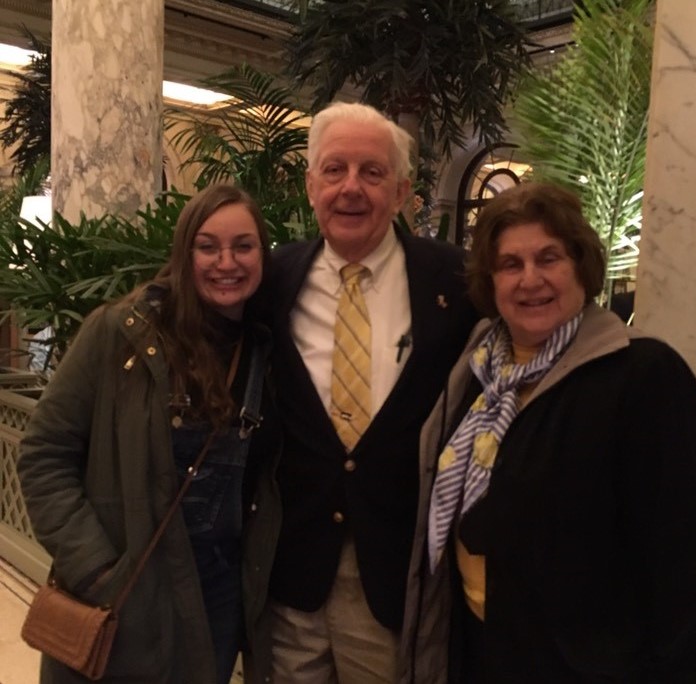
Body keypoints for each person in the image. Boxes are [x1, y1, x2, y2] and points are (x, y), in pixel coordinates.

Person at [401, 181, 696, 683]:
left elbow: (680, 565)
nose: (530, 279)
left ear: (581, 265)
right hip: (480, 646)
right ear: (490, 281)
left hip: (585, 664)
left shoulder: (640, 375)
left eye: (548, 258)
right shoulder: (477, 365)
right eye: (511, 264)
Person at [18, 184, 280, 684]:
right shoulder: (120, 332)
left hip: (217, 591)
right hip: (129, 582)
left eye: (243, 246)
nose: (227, 261)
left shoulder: (263, 350)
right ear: (185, 253)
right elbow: (43, 454)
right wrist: (96, 567)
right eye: (208, 246)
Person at [255, 102, 477, 684]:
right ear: (310, 186)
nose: (351, 188)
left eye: (372, 173)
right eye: (334, 170)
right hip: (293, 575)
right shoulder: (273, 280)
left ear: (402, 191)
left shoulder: (456, 283)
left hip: (396, 578)